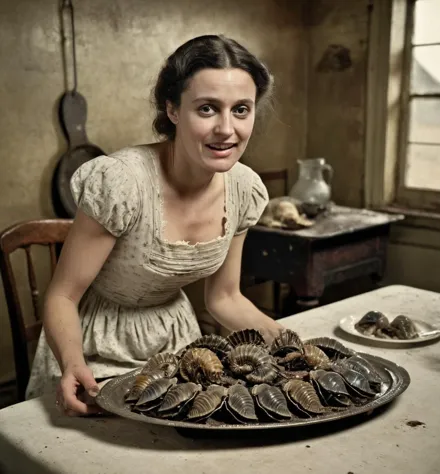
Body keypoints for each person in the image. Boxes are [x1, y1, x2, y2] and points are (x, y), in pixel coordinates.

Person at [25, 34, 285, 416]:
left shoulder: (244, 189)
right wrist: (72, 363)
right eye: (208, 109)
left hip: (177, 344)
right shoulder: (122, 183)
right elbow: (61, 297)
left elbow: (224, 298)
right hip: (94, 344)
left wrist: (289, 343)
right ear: (174, 110)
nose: (227, 129)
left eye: (241, 109)